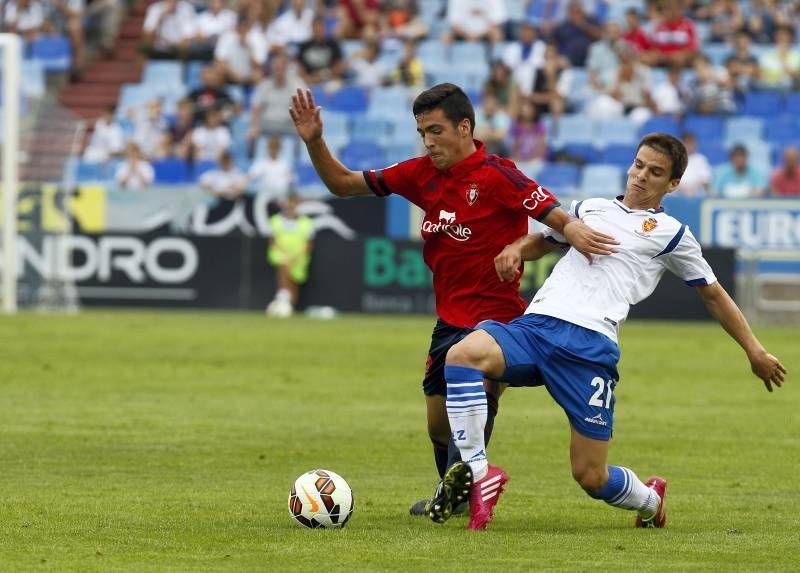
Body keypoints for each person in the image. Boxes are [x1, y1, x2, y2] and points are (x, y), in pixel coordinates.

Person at [289, 82, 618, 515]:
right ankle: (454, 489)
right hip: (449, 317)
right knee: (437, 423)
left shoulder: (499, 174)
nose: (428, 141)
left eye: (436, 130)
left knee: (480, 395)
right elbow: (342, 183)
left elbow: (555, 216)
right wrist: (315, 141)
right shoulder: (419, 173)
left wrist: (578, 234)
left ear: (464, 127)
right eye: (422, 131)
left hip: (496, 317)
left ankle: (472, 488)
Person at [428, 133, 786, 531]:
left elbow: (715, 295)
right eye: (638, 165)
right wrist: (516, 249)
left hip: (589, 347)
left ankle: (650, 499)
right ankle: (480, 474)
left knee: (590, 476)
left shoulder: (672, 234)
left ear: (672, 185)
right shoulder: (589, 208)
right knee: (461, 355)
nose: (640, 176)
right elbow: (544, 240)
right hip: (537, 326)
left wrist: (754, 350)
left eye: (655, 172)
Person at [266, 193, 315, 318]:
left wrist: (296, 256)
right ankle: (283, 297)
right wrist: (284, 253)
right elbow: (272, 241)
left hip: (299, 257)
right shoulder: (275, 220)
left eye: (294, 203)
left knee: (294, 281)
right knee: (283, 267)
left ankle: (289, 307)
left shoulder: (306, 222)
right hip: (280, 253)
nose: (291, 206)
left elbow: (309, 245)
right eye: (289, 202)